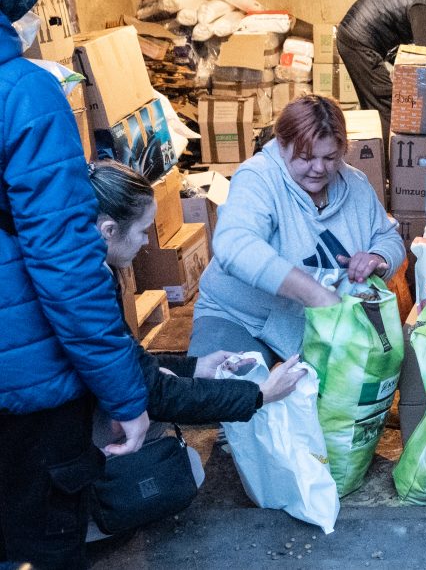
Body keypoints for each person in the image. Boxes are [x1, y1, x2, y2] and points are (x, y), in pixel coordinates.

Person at [0, 0, 149, 569]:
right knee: (41, 544)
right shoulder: (23, 94)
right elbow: (66, 264)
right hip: (26, 392)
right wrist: (125, 393)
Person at [85, 160, 305, 539]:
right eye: (141, 231)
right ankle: (86, 511)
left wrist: (195, 367)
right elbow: (152, 391)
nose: (145, 243)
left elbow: (123, 362)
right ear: (108, 231)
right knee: (177, 463)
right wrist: (259, 395)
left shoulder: (76, 269)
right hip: (44, 451)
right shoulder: (85, 292)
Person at [189, 94, 406, 365]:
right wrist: (317, 295)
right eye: (305, 157)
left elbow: (388, 237)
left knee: (354, 394)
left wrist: (378, 257)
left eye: (330, 157)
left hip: (315, 329)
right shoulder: (258, 177)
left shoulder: (356, 185)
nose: (318, 168)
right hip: (240, 318)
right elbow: (234, 245)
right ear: (282, 144)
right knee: (225, 391)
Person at [335, 0, 426, 132]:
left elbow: (399, 47)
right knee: (387, 103)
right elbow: (423, 57)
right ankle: (388, 154)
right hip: (360, 41)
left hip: (350, 37)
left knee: (373, 103)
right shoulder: (425, 7)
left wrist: (403, 74)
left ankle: (372, 148)